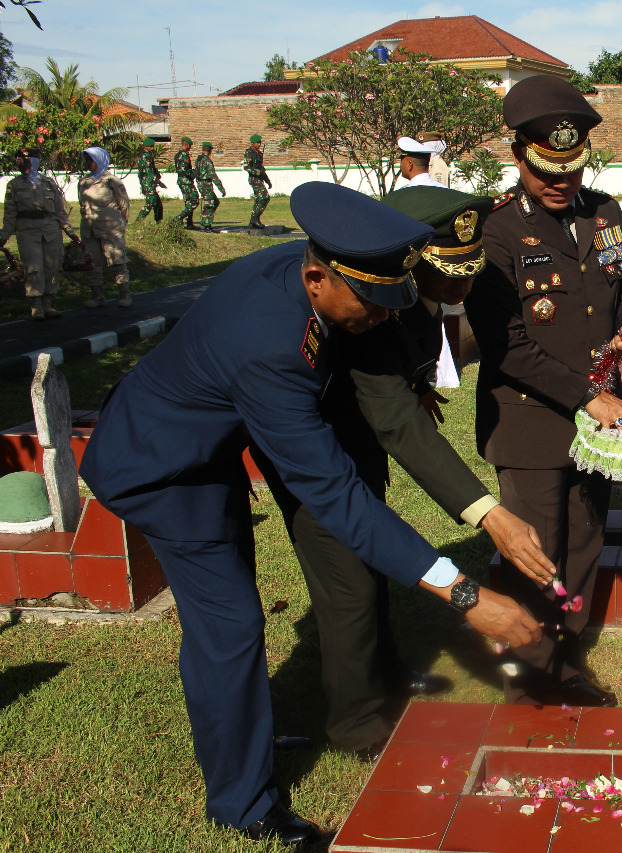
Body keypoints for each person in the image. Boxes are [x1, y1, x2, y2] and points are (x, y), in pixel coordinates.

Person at [78, 181, 541, 846]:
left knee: (230, 611)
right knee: (230, 625)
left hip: (207, 450)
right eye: (372, 304)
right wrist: (464, 593)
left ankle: (247, 732)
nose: (382, 317)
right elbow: (337, 498)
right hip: (160, 468)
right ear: (319, 277)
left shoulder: (315, 271)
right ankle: (242, 804)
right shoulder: (269, 344)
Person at [251, 185, 557, 761]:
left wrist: (417, 385)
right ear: (410, 265)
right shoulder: (373, 307)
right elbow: (398, 427)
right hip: (318, 461)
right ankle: (357, 726)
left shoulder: (420, 296)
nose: (461, 289)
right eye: (449, 275)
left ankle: (386, 677)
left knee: (373, 571)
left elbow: (405, 378)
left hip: (358, 450)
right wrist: (489, 514)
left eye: (470, 274)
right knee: (348, 591)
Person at [465, 74, 622, 707]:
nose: (559, 181)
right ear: (518, 156)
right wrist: (589, 397)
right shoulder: (496, 232)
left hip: (595, 424)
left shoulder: (605, 212)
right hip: (531, 422)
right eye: (546, 167)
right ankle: (534, 674)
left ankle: (566, 657)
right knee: (538, 549)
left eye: (570, 167)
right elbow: (508, 344)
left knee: (586, 539)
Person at [0, 146, 78, 320]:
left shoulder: (48, 183)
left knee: (52, 266)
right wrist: (4, 236)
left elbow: (59, 211)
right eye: (19, 161)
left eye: (25, 160)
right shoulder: (14, 185)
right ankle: (36, 305)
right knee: (33, 267)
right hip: (27, 230)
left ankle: (47, 304)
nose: (21, 164)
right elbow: (10, 214)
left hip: (50, 229)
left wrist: (70, 231)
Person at [78, 147, 132, 309]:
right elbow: (83, 205)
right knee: (93, 263)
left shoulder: (112, 181)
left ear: (100, 160)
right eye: (86, 160)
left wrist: (122, 224)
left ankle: (124, 295)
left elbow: (124, 204)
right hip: (89, 229)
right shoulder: (84, 182)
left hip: (110, 227)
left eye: (91, 160)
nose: (88, 163)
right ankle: (97, 296)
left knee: (117, 261)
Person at [196, 141, 226, 233]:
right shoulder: (207, 161)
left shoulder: (198, 159)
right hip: (206, 184)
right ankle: (207, 225)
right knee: (210, 204)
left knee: (215, 201)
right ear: (211, 150)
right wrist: (221, 188)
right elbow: (213, 175)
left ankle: (204, 220)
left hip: (200, 183)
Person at [243, 134, 271, 229]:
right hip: (254, 179)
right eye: (257, 142)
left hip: (259, 179)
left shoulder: (259, 153)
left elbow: (261, 168)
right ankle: (255, 218)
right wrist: (257, 172)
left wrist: (267, 180)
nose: (259, 144)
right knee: (265, 197)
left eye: (260, 142)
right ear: (253, 143)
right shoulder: (249, 153)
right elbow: (246, 167)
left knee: (259, 199)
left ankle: (253, 221)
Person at [135, 138, 164, 223]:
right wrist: (158, 181)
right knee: (150, 202)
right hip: (148, 182)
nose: (152, 148)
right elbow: (149, 170)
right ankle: (138, 222)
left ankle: (159, 221)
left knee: (158, 204)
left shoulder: (144, 155)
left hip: (148, 181)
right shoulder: (146, 156)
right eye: (151, 146)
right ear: (146, 146)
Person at [174, 136, 200, 230]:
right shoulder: (184, 154)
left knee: (188, 202)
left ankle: (189, 224)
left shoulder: (178, 154)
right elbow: (184, 170)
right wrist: (194, 173)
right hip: (186, 181)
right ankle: (180, 217)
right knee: (194, 200)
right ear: (187, 144)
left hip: (182, 181)